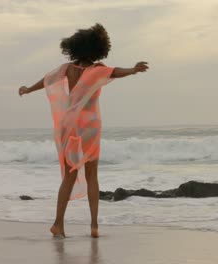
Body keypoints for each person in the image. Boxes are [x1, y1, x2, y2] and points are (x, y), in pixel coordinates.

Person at [18, 23, 149, 238]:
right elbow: (115, 72)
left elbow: (47, 80)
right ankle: (94, 226)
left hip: (69, 125)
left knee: (68, 177)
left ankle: (58, 224)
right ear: (98, 48)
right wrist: (133, 70)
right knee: (92, 176)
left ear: (76, 47)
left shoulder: (67, 69)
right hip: (89, 126)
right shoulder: (97, 70)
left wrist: (28, 89)